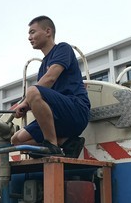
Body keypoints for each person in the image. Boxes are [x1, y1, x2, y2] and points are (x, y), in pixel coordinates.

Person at [10, 15, 90, 158]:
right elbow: (41, 96)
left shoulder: (63, 49)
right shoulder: (42, 67)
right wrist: (27, 105)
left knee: (32, 91)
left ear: (48, 32)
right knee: (16, 140)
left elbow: (50, 78)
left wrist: (26, 101)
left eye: (32, 32)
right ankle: (65, 142)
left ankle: (52, 144)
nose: (29, 37)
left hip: (75, 110)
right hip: (56, 117)